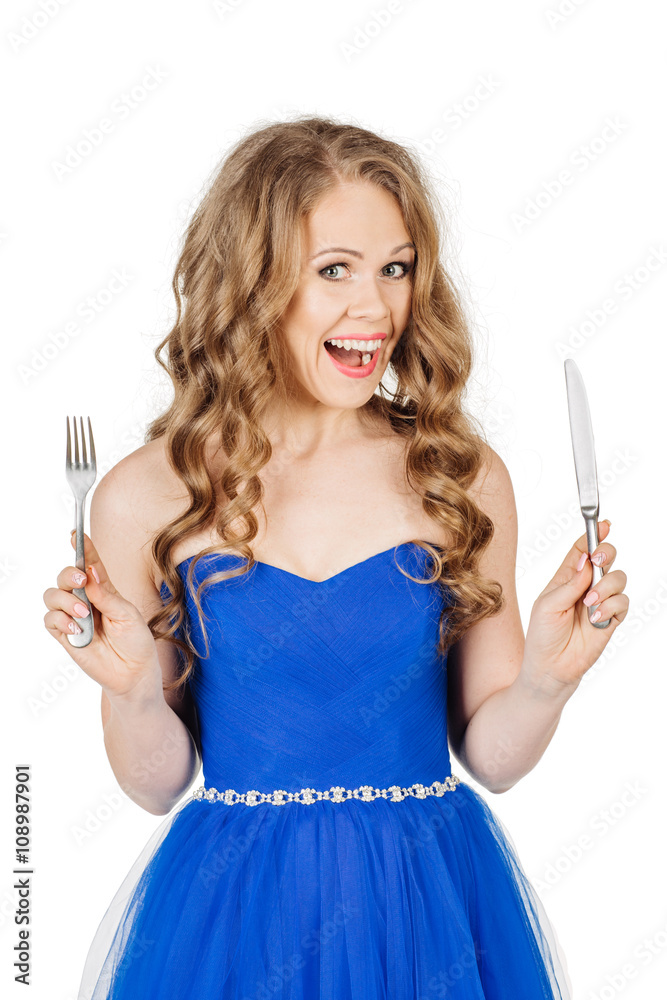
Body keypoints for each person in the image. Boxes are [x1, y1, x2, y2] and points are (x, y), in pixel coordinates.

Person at [43, 116, 628, 999]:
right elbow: (155, 786)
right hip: (235, 914)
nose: (376, 308)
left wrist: (549, 678)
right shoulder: (142, 496)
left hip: (425, 902)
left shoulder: (455, 475)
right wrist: (126, 691)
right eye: (333, 271)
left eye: (395, 268)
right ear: (251, 284)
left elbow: (495, 758)